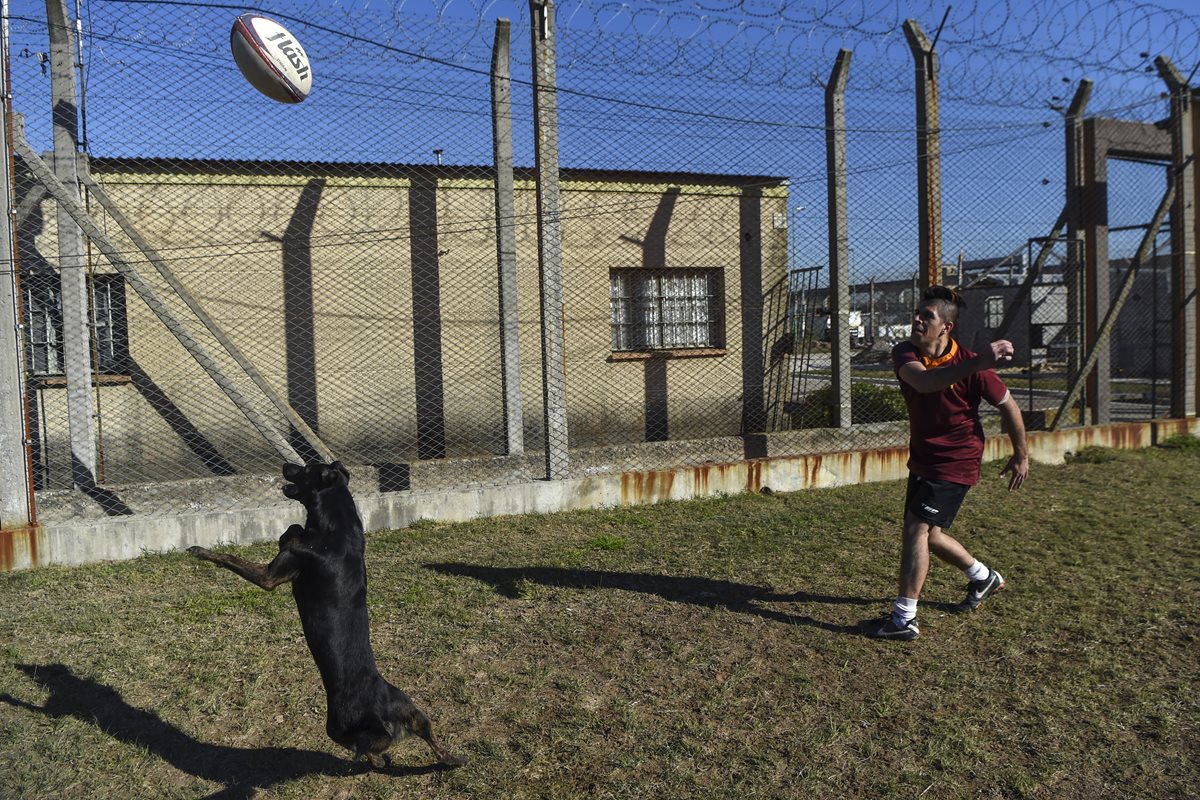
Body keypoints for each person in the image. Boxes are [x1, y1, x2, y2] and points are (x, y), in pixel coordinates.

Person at [864, 285, 1029, 641]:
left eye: (927, 316)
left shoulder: (972, 366)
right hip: (924, 457)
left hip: (957, 459)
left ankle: (903, 619)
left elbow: (1009, 406)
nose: (917, 320)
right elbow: (925, 383)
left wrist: (1021, 455)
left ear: (946, 328)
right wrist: (979, 361)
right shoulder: (906, 352)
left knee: (916, 530)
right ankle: (983, 577)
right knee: (932, 536)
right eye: (917, 313)